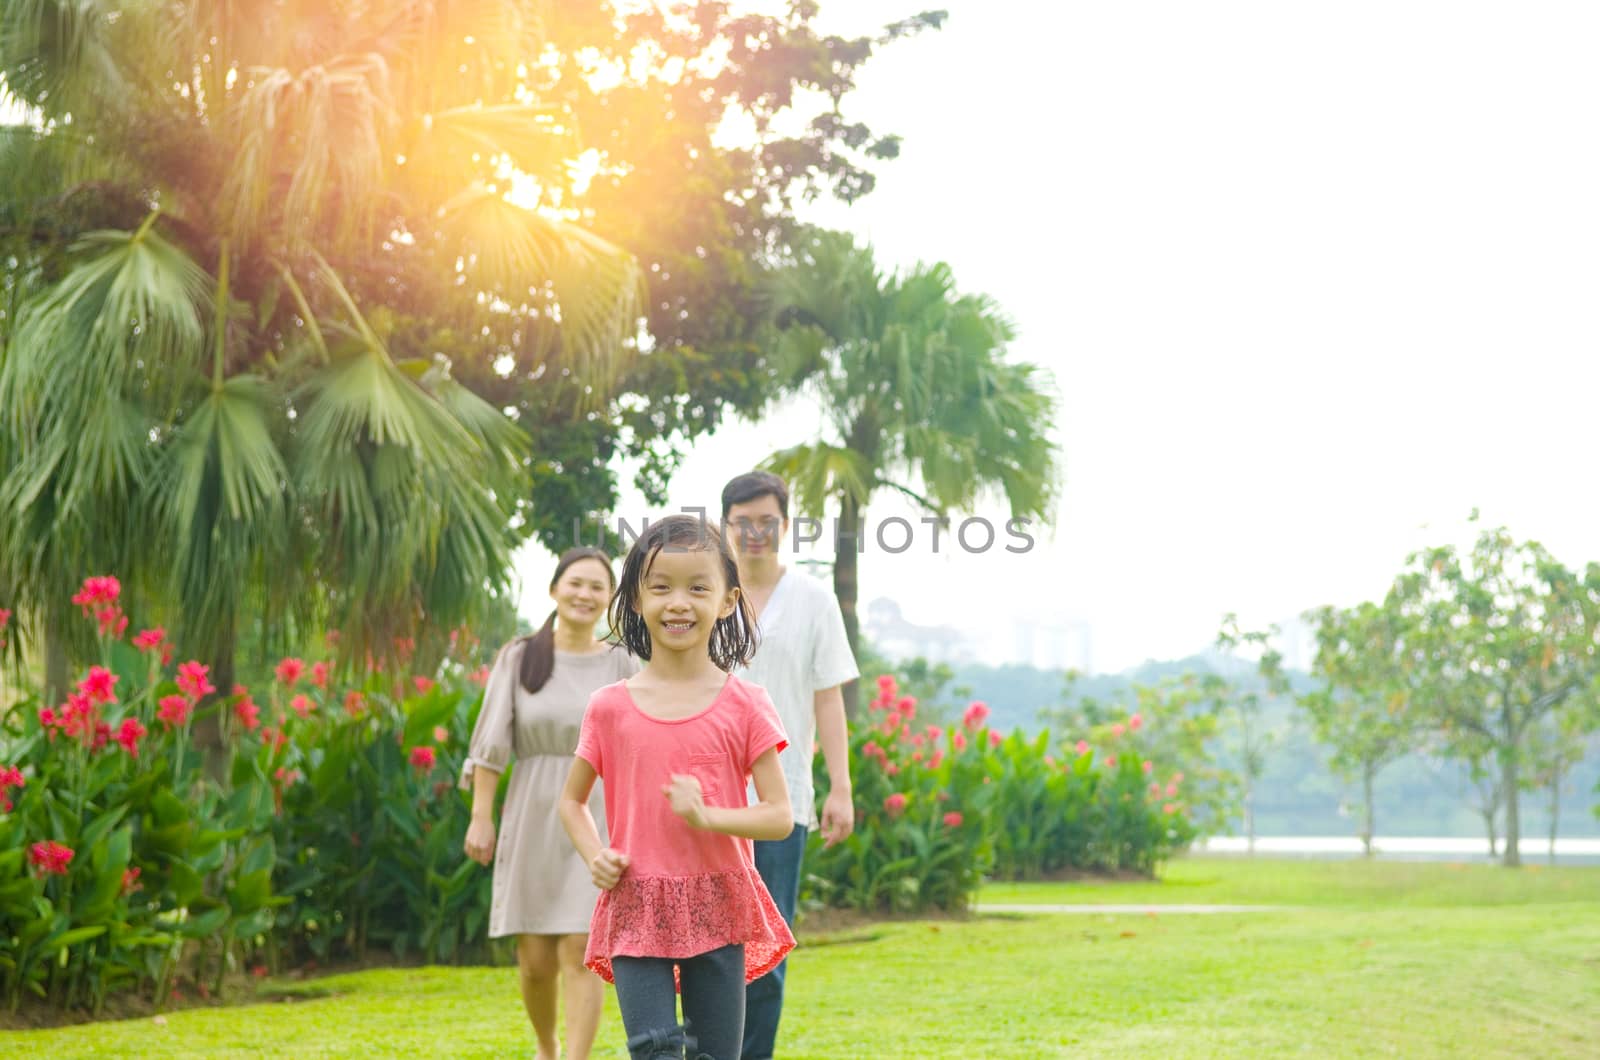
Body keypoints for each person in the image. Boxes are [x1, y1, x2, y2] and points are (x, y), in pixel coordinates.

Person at [559, 514, 796, 1060]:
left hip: (720, 898)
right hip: (636, 899)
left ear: (728, 599)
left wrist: (709, 815)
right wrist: (595, 855)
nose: (678, 603)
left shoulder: (746, 704)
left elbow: (778, 814)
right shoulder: (609, 708)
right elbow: (571, 802)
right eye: (660, 587)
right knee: (654, 1049)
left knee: (716, 1054)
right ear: (637, 601)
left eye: (697, 587)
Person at [462, 546, 639, 1060]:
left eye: (597, 587)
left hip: (599, 813)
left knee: (582, 950)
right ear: (555, 589)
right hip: (533, 812)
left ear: (611, 598)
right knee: (535, 958)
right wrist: (481, 817)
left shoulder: (622, 660)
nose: (585, 594)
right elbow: (491, 743)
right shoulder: (521, 656)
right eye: (576, 583)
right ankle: (548, 1046)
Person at [720, 471, 858, 1060]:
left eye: (767, 523)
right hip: (707, 800)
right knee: (702, 945)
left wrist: (841, 789)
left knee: (766, 950)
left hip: (784, 799)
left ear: (785, 524)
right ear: (725, 525)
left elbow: (828, 695)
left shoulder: (813, 600)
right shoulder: (703, 592)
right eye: (742, 522)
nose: (755, 533)